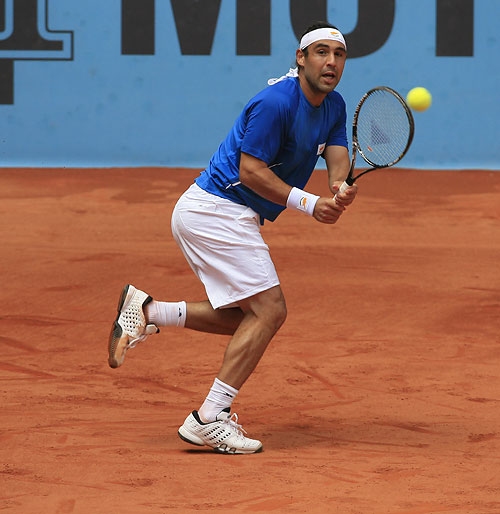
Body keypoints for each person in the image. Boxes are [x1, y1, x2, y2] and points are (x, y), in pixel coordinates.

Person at [108, 21, 357, 454]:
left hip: (221, 214)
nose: (331, 62)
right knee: (270, 311)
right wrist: (307, 203)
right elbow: (250, 171)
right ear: (300, 59)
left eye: (338, 54)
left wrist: (339, 188)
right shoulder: (275, 102)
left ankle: (148, 311)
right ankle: (209, 417)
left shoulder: (334, 106)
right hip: (215, 210)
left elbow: (337, 159)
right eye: (321, 52)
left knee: (251, 317)